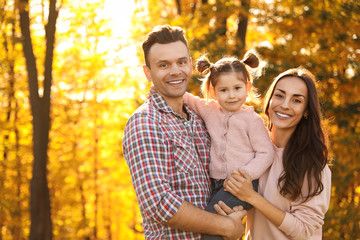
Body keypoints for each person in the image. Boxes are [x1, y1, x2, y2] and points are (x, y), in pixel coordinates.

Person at [122, 25, 246, 240]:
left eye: (181, 62)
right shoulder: (145, 122)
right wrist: (225, 226)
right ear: (147, 72)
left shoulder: (200, 118)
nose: (175, 71)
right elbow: (158, 203)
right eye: (163, 65)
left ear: (190, 64)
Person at [217, 67, 332, 239]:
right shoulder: (252, 150)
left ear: (306, 111)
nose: (285, 105)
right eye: (279, 95)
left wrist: (252, 197)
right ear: (269, 101)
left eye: (296, 100)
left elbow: (304, 231)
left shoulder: (314, 166)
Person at [180, 53, 274, 239]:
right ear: (213, 91)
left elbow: (266, 153)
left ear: (247, 87)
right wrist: (160, 87)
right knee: (218, 228)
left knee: (212, 226)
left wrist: (243, 175)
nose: (231, 95)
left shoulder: (252, 120)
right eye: (223, 90)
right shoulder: (210, 109)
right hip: (216, 184)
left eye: (237, 88)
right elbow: (188, 99)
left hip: (242, 185)